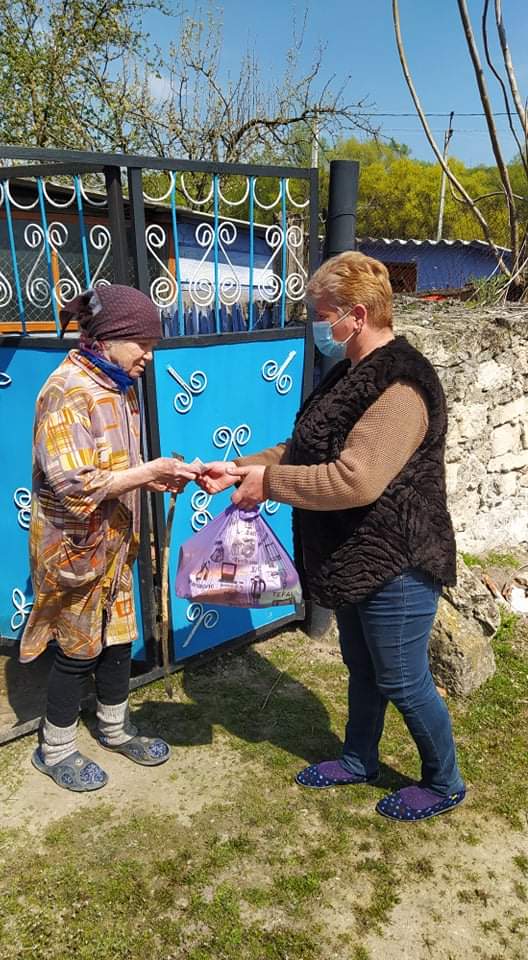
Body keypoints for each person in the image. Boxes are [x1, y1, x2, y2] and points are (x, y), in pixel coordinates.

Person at [198, 251, 466, 823]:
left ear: (357, 315)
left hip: (398, 559)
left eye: (322, 315)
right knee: (363, 667)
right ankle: (359, 758)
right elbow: (303, 450)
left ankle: (445, 782)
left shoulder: (401, 386)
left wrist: (269, 485)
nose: (316, 326)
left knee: (402, 677)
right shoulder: (349, 373)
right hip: (354, 556)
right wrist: (240, 469)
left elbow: (356, 478)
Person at [21, 284, 200, 792]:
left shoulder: (120, 385)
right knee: (78, 650)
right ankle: (55, 749)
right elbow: (74, 483)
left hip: (117, 545)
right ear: (107, 338)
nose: (150, 355)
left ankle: (115, 728)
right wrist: (147, 473)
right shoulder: (68, 390)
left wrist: (153, 477)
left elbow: (119, 468)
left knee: (119, 640)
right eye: (142, 343)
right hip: (75, 548)